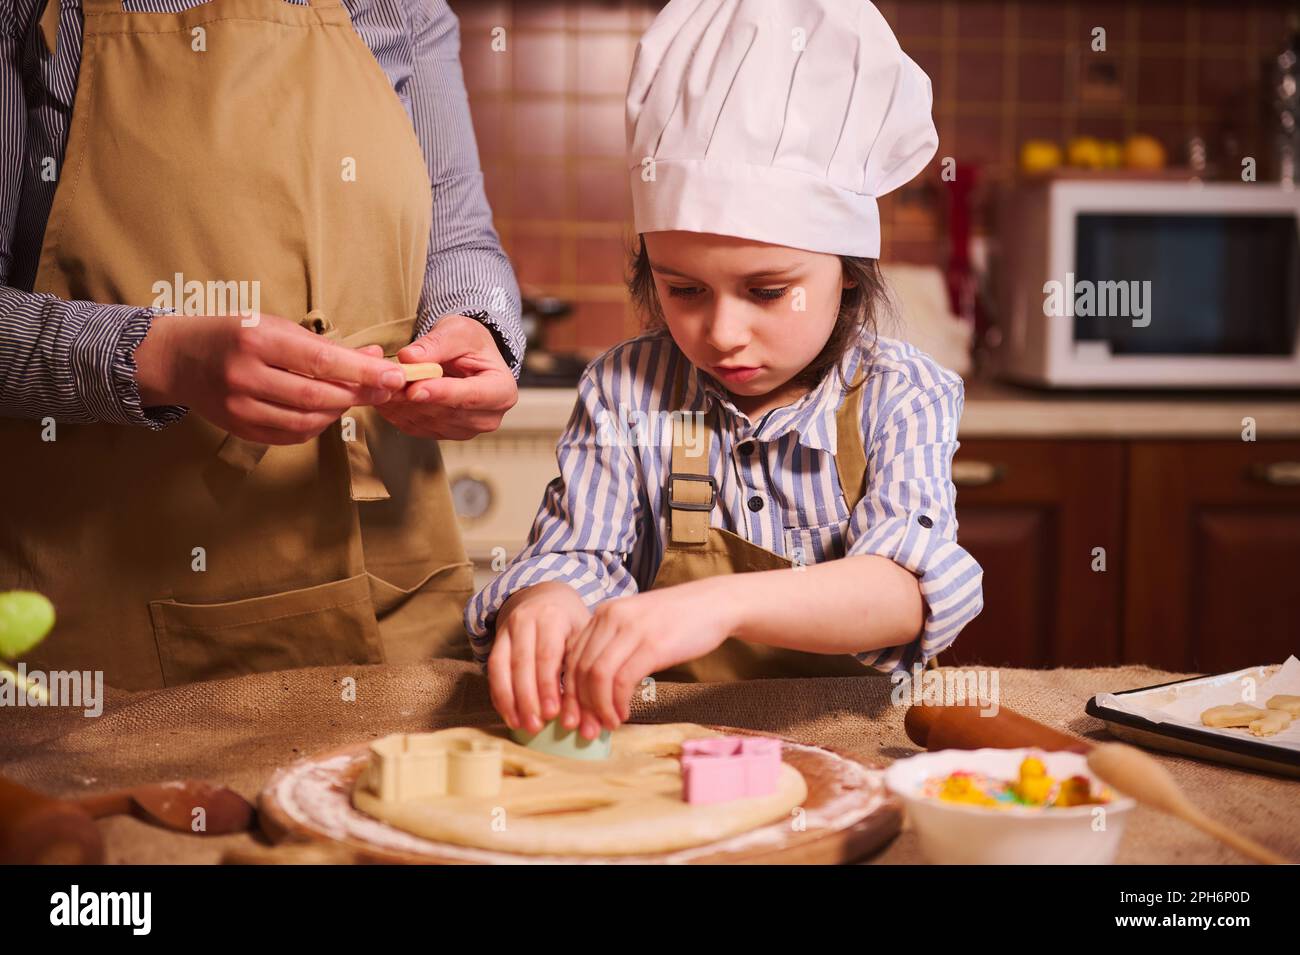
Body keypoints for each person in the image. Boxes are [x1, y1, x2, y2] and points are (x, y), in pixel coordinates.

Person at [466, 0, 984, 740]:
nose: (721, 332)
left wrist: (720, 603)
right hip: (672, 747)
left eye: (767, 291)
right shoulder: (628, 392)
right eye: (683, 290)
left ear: (847, 273)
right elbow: (579, 552)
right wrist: (544, 601)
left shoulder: (899, 395)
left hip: (857, 745)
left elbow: (904, 590)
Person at [0, 0, 522, 688]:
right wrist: (160, 358)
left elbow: (459, 239)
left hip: (391, 588)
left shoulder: (404, 8)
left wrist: (475, 326)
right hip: (114, 613)